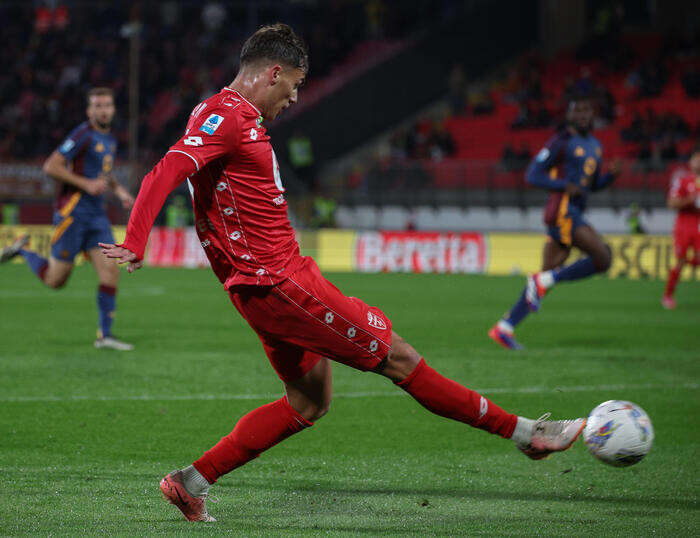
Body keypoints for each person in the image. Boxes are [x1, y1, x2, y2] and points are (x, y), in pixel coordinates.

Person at [100, 24, 585, 523]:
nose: (294, 98)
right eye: (293, 86)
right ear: (273, 72)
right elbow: (168, 168)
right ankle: (527, 434)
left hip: (260, 290)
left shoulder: (214, 110)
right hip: (281, 284)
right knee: (400, 358)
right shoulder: (227, 119)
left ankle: (191, 481)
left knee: (308, 401)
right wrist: (136, 238)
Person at [1, 87, 135, 350]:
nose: (103, 110)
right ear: (89, 110)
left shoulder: (110, 140)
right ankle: (24, 251)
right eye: (97, 106)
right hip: (72, 214)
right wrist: (84, 183)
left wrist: (119, 192)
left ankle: (105, 336)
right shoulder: (82, 134)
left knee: (110, 271)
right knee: (56, 280)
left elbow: (105, 174)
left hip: (96, 216)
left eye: (106, 105)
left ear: (113, 109)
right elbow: (51, 166)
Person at [490, 94, 621, 350]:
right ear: (569, 115)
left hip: (573, 211)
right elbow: (532, 174)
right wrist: (563, 185)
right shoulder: (562, 142)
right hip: (563, 211)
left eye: (587, 110)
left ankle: (503, 329)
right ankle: (543, 283)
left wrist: (610, 178)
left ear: (592, 115)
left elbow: (589, 187)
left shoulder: (595, 144)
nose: (583, 115)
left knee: (543, 279)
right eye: (578, 110)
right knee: (603, 258)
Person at [662, 150, 699, 309]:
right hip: (685, 224)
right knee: (679, 261)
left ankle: (690, 263)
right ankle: (668, 296)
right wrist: (690, 201)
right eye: (696, 159)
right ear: (690, 162)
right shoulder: (683, 181)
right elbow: (671, 203)